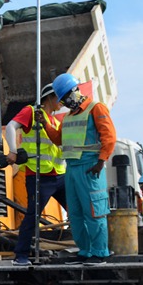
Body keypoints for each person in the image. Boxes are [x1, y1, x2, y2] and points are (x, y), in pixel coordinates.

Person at [39, 73, 116, 265]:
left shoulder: (95, 108)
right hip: (72, 169)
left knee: (93, 211)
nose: (64, 102)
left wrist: (100, 162)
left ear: (75, 91)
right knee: (75, 213)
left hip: (90, 168)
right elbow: (59, 139)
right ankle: (85, 251)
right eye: (62, 99)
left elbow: (109, 137)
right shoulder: (68, 117)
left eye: (66, 97)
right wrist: (45, 124)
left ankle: (100, 251)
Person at [3, 84, 68, 265]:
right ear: (49, 97)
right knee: (33, 216)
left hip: (59, 176)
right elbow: (10, 127)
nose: (62, 103)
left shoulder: (54, 121)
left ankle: (85, 250)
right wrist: (13, 151)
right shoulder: (31, 112)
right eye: (59, 98)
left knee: (76, 211)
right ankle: (21, 256)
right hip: (39, 176)